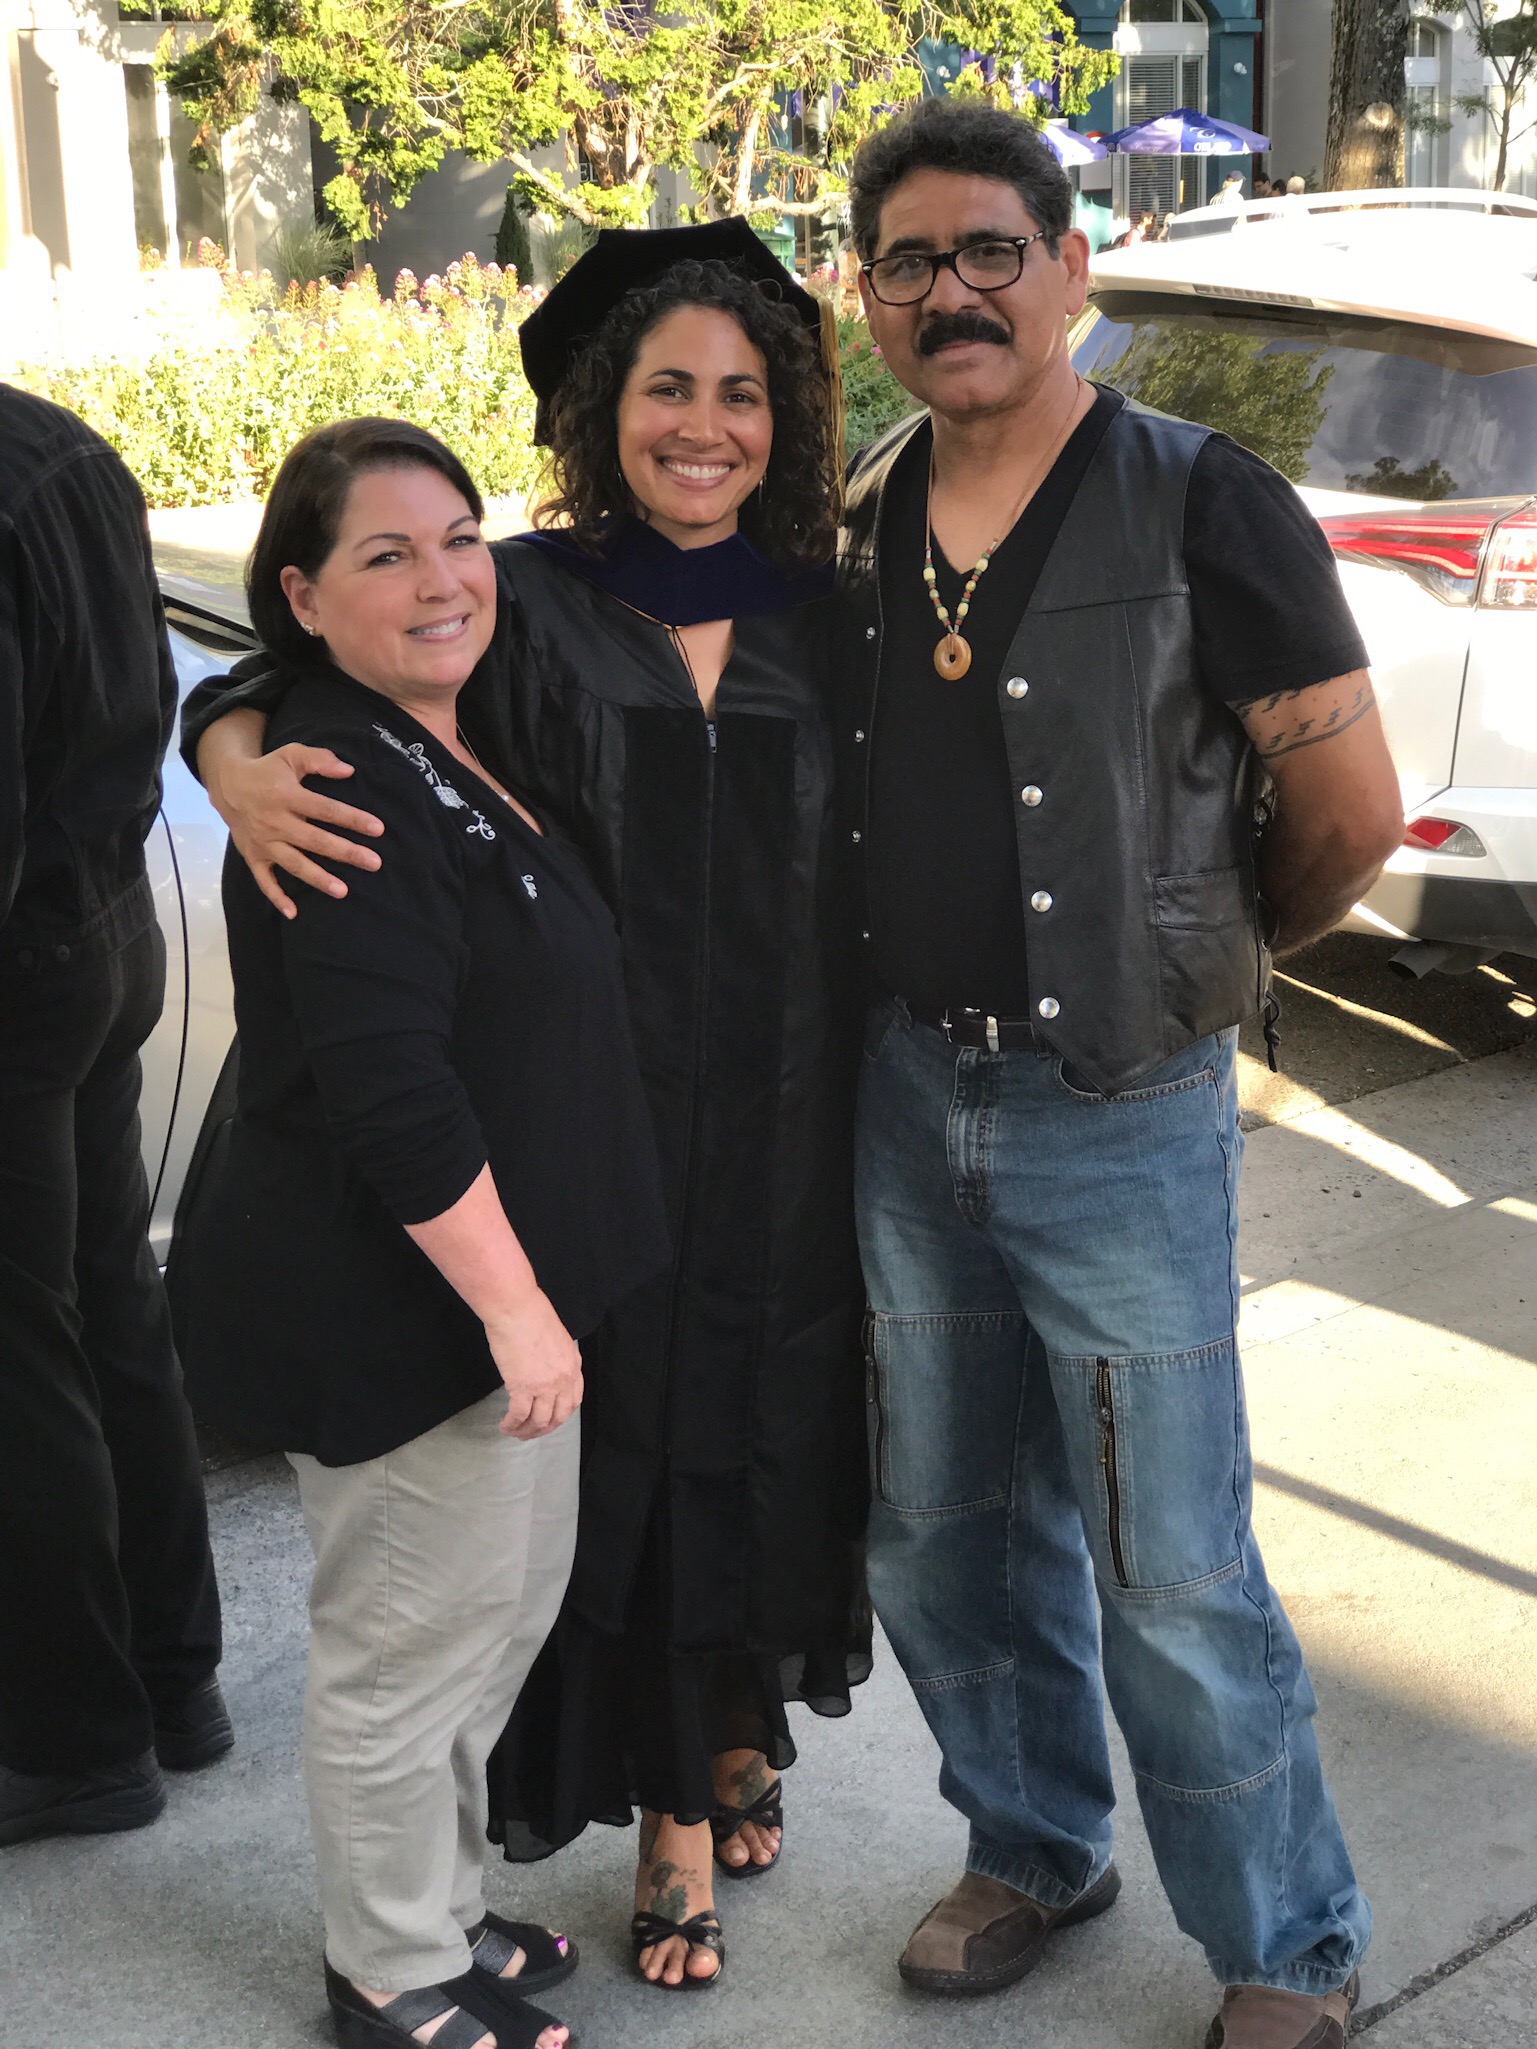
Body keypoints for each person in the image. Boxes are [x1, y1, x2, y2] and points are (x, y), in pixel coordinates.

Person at [180, 221, 868, 1993]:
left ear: (785, 416)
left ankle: (732, 1727)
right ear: (601, 408)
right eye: (665, 387)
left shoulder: (837, 611)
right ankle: (664, 1813)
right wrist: (229, 757)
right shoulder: (526, 595)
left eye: (740, 391)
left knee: (769, 1431)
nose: (702, 425)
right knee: (618, 1460)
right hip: (591, 1133)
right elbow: (301, 669)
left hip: (791, 1121)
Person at [839, 97, 1403, 2049]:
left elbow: (1350, 810)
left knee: (1171, 1559)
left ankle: (1287, 1942)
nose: (952, 291)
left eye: (990, 250)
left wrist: (1195, 963)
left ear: (1070, 268)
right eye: (909, 261)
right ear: (868, 295)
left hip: (1120, 1109)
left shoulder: (1198, 501)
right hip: (905, 1098)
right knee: (940, 1529)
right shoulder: (864, 507)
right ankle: (1034, 1841)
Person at [179, 417, 670, 2049]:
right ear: (304, 596)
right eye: (385, 555)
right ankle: (386, 1969)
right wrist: (519, 1310)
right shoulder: (331, 781)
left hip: (502, 1303)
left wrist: (213, 732)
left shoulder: (435, 724)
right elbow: (390, 1094)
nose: (444, 578)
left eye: (459, 536)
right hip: (401, 1315)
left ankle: (438, 1913)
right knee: (405, 1647)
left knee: (484, 1625)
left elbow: (221, 685)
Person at [0, 384, 227, 1849]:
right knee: (104, 1307)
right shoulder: (55, 443)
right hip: (98, 925)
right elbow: (144, 691)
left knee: (23, 1352)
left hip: (24, 956)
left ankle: (71, 1741)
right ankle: (170, 1677)